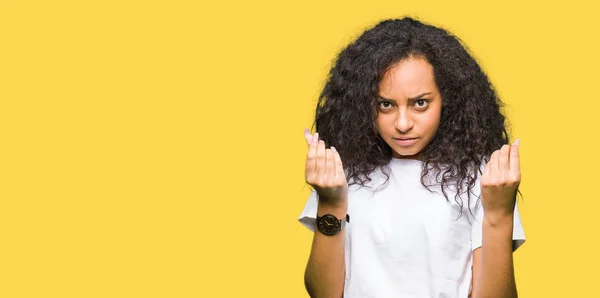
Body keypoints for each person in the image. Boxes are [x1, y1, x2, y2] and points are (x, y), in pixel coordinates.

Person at [298, 17, 526, 298]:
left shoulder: (481, 178)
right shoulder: (344, 173)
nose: (403, 123)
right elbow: (323, 293)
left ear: (448, 100)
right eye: (386, 105)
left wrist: (499, 213)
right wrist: (331, 201)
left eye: (420, 103)